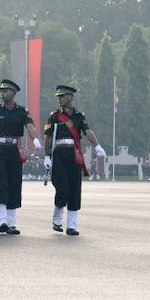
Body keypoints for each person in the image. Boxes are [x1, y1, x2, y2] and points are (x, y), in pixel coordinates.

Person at [43, 85, 107, 236]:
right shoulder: (54, 116)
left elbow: (87, 131)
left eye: (62, 96)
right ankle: (57, 219)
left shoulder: (79, 116)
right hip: (59, 154)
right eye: (58, 96)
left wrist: (97, 145)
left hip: (74, 155)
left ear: (70, 97)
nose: (59, 98)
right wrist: (47, 155)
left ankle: (71, 225)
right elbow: (47, 137)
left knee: (75, 189)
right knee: (62, 188)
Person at [0, 79, 42, 234]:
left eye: (5, 91)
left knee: (14, 183)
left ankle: (12, 224)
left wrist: (36, 139)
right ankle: (2, 221)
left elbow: (30, 126)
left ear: (13, 92)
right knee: (0, 183)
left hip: (14, 150)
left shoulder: (21, 111)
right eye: (1, 91)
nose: (3, 94)